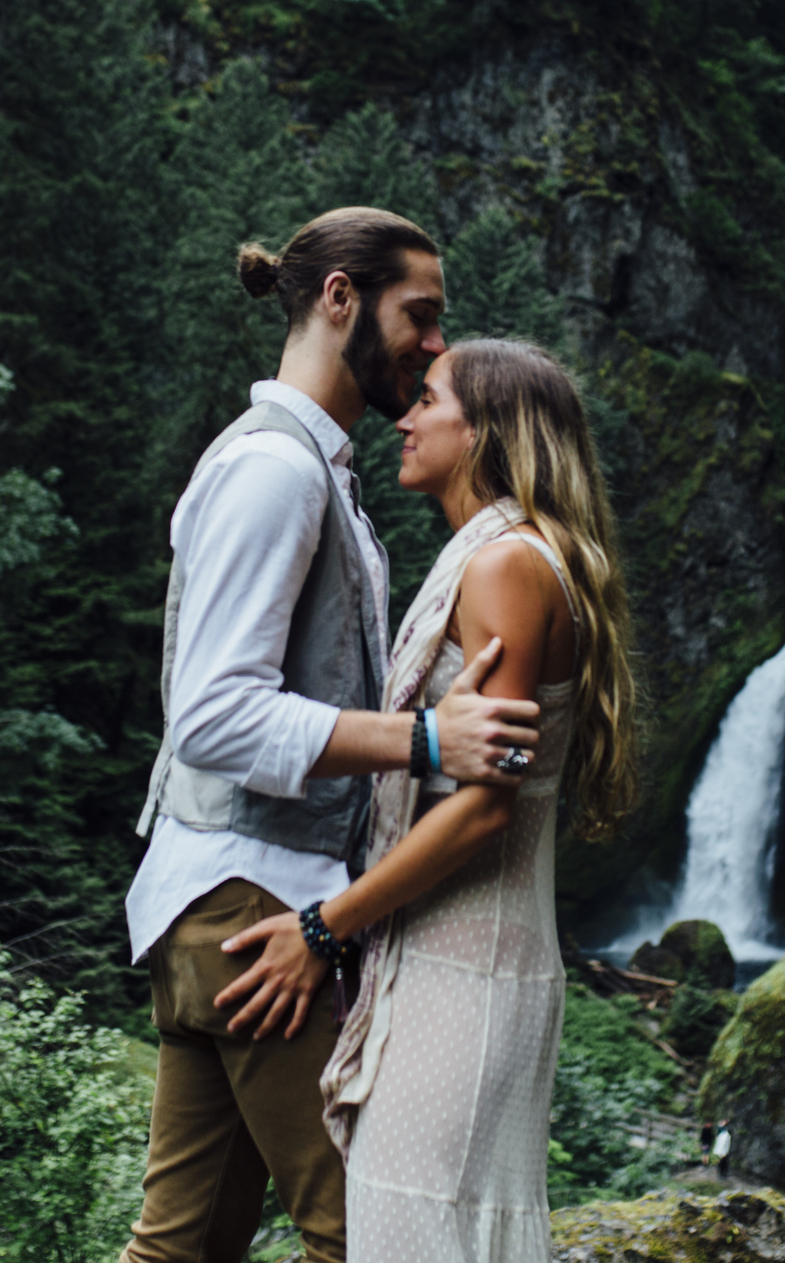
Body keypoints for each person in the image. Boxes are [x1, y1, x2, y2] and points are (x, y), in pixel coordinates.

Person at [121, 209, 544, 1263]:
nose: (436, 344)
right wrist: (426, 741)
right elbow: (212, 713)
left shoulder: (318, 473)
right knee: (374, 1234)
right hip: (250, 900)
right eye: (422, 315)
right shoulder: (275, 470)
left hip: (222, 895)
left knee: (178, 1249)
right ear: (341, 299)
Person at [217, 337, 640, 1263]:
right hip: (471, 949)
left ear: (486, 429)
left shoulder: (504, 567)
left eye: (429, 401)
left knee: (413, 1232)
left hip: (466, 959)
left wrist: (324, 926)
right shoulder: (518, 556)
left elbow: (488, 802)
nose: (404, 416)